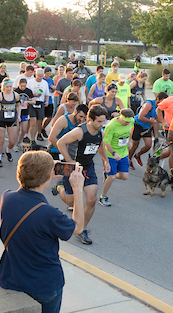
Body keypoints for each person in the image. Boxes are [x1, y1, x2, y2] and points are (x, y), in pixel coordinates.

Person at [0, 151, 85, 313]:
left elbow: (29, 184)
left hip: (12, 278)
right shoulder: (49, 214)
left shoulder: (7, 198)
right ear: (48, 175)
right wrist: (77, 190)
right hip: (44, 286)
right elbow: (78, 227)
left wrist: (45, 171)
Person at [55, 105, 111, 245]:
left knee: (91, 200)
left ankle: (82, 229)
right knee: (71, 201)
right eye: (99, 121)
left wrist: (106, 161)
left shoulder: (101, 133)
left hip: (87, 167)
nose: (101, 124)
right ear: (90, 120)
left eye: (103, 121)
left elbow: (100, 146)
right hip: (72, 167)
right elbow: (60, 142)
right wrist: (70, 161)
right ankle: (59, 187)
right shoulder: (79, 132)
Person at [98, 109, 135, 206]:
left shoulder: (131, 121)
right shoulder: (111, 126)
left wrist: (130, 141)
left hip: (123, 153)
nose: (127, 123)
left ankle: (108, 176)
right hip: (111, 154)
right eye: (126, 121)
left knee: (125, 177)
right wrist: (113, 153)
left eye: (129, 121)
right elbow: (106, 142)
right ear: (120, 117)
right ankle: (103, 197)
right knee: (112, 177)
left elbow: (130, 130)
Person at [129, 92, 168, 170]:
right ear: (158, 99)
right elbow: (140, 117)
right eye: (164, 101)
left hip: (146, 127)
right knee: (135, 145)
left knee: (148, 145)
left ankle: (137, 155)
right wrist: (152, 122)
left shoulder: (160, 107)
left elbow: (158, 118)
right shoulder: (149, 105)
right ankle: (129, 160)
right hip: (137, 125)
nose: (165, 103)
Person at [0, 79, 21, 167]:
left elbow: (18, 105)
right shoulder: (0, 96)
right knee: (0, 140)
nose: (9, 88)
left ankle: (8, 151)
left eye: (10, 86)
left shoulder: (15, 95)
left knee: (12, 141)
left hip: (12, 120)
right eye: (7, 87)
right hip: (1, 119)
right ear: (3, 87)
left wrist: (19, 116)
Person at [27, 69, 50, 143]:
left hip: (40, 102)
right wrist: (33, 95)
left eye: (41, 76)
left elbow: (46, 93)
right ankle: (32, 139)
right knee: (33, 123)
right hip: (32, 102)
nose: (39, 78)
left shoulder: (44, 83)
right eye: (38, 76)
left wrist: (46, 101)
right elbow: (27, 93)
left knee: (39, 121)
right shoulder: (30, 82)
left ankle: (39, 134)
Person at [15, 78, 34, 145]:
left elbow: (34, 101)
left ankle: (20, 141)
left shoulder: (28, 91)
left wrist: (28, 101)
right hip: (17, 112)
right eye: (21, 86)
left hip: (25, 112)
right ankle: (15, 143)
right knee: (17, 129)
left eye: (24, 86)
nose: (23, 87)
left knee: (24, 130)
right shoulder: (16, 91)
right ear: (19, 85)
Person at [42, 67, 56, 137]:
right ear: (44, 73)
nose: (48, 75)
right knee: (41, 117)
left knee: (49, 117)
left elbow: (53, 90)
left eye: (50, 74)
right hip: (43, 99)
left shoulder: (51, 80)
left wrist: (53, 88)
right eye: (47, 74)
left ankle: (43, 128)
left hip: (50, 100)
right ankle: (40, 130)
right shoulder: (42, 80)